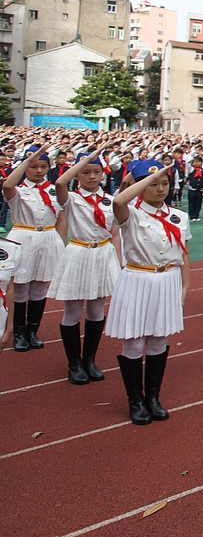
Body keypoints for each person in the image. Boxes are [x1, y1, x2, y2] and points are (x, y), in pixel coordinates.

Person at [106, 159, 190, 426]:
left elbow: (183, 254)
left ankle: (153, 398)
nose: (160, 189)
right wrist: (139, 180)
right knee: (133, 341)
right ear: (139, 186)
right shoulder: (130, 212)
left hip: (167, 280)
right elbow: (118, 202)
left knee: (157, 341)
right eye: (153, 184)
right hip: (137, 278)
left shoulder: (179, 216)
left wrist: (185, 286)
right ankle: (135, 400)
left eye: (165, 183)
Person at [51, 147, 117, 384]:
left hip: (103, 253)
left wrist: (117, 264)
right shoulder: (71, 198)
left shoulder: (111, 200)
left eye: (96, 171)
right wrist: (85, 159)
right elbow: (60, 182)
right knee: (73, 312)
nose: (91, 176)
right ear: (77, 175)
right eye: (86, 172)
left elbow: (116, 233)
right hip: (79, 253)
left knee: (97, 311)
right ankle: (74, 363)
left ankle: (89, 359)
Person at [3, 143, 64, 352]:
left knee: (39, 287)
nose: (39, 171)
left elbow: (61, 220)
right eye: (33, 167)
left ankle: (32, 330)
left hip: (48, 237)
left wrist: (62, 246)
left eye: (43, 166)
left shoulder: (56, 190)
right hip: (23, 237)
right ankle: (18, 332)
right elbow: (8, 186)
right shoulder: (18, 190)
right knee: (20, 288)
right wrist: (25, 161)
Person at [186, 154, 203, 222]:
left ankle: (197, 215)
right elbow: (187, 163)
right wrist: (193, 157)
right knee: (192, 203)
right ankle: (192, 216)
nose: (197, 163)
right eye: (196, 162)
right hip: (192, 189)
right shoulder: (191, 169)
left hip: (200, 190)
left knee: (198, 204)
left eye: (199, 162)